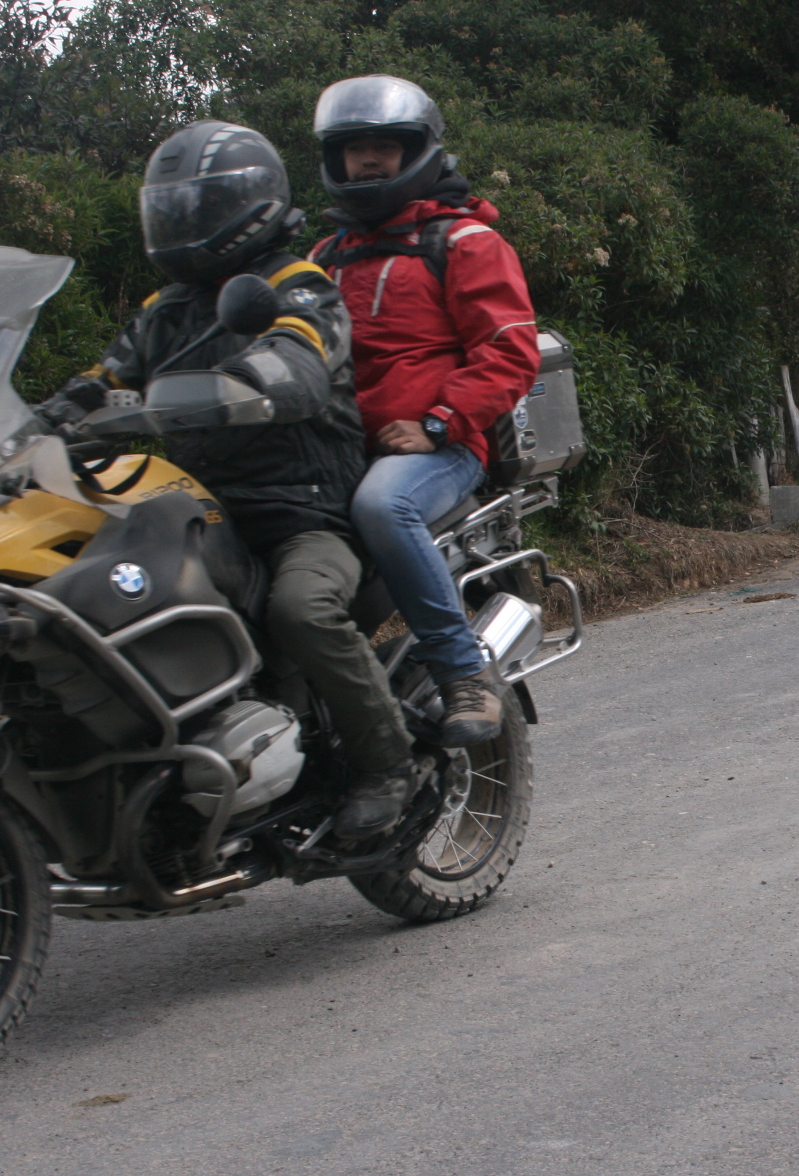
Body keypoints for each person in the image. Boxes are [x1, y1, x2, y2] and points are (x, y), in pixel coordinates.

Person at [36, 120, 416, 839]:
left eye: (198, 208)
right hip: (193, 509)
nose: (182, 224)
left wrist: (239, 385)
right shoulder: (164, 312)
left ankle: (386, 766)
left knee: (301, 609)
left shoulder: (297, 287)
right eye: (172, 208)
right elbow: (98, 383)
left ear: (252, 207)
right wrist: (29, 424)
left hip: (302, 511)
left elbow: (301, 362)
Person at [308, 75, 540, 745]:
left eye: (386, 145)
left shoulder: (464, 243)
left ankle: (462, 672)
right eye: (355, 149)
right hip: (344, 448)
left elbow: (509, 351)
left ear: (420, 151)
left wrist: (437, 421)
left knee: (384, 506)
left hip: (442, 448)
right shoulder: (324, 259)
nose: (369, 160)